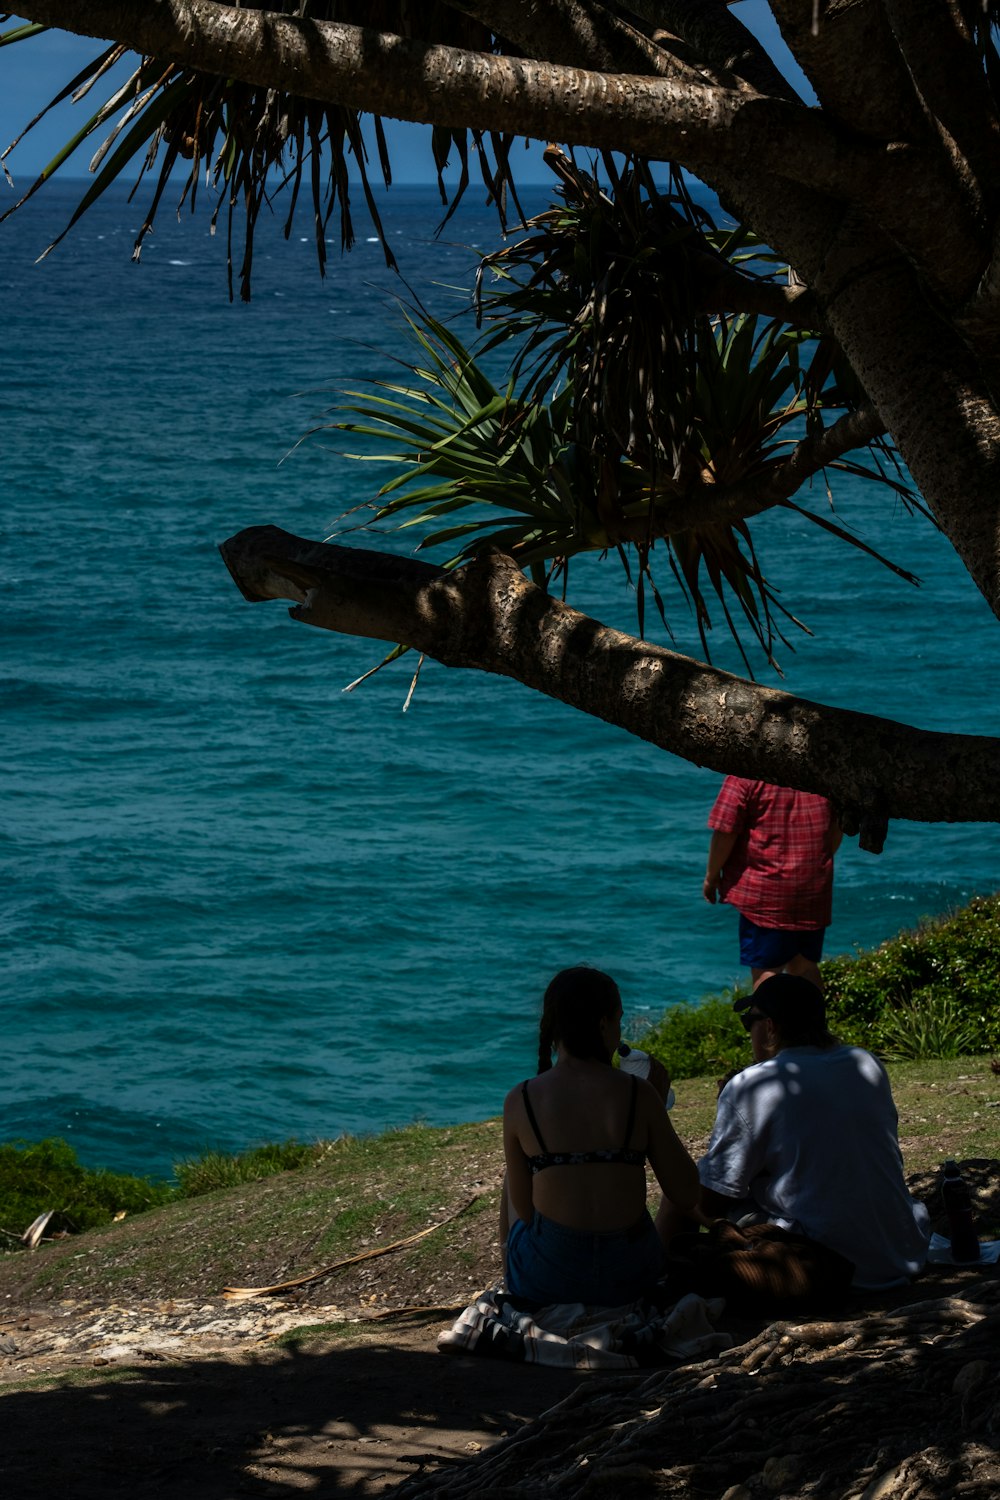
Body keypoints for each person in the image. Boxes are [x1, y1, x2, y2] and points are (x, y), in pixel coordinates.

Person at [658, 974, 930, 1289]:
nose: (749, 1032)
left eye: (750, 1022)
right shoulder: (865, 1063)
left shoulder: (752, 1086)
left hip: (825, 1263)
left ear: (770, 1027)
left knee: (679, 1190)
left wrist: (730, 1105)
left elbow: (711, 1200)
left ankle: (655, 1280)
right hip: (899, 1252)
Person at [501, 966, 699, 1307]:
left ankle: (514, 1287)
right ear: (604, 1024)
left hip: (549, 1284)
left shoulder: (522, 1098)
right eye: (619, 1019)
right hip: (631, 1279)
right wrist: (656, 1112)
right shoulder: (639, 1093)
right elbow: (686, 1193)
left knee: (512, 1177)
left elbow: (526, 1212)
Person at [703, 776, 842, 987]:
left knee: (767, 972)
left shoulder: (745, 774)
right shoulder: (819, 769)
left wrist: (711, 878)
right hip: (812, 887)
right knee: (804, 967)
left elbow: (725, 830)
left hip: (766, 894)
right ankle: (814, 1020)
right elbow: (838, 825)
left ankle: (768, 1021)